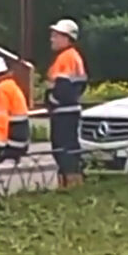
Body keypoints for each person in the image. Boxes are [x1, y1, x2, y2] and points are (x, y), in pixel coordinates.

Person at [46, 19, 88, 189]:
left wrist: (51, 100)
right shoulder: (72, 57)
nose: (52, 39)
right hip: (68, 111)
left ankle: (70, 186)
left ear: (66, 38)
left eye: (56, 35)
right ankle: (71, 184)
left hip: (63, 112)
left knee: (64, 151)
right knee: (69, 150)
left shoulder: (66, 58)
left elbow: (62, 90)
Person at [0, 55, 30, 165]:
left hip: (12, 143)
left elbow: (0, 121)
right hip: (20, 141)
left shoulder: (1, 90)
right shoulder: (10, 85)